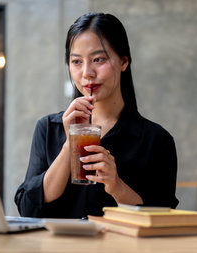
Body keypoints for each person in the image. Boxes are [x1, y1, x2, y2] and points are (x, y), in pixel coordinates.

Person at [15, 12, 179, 218]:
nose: (87, 73)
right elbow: (28, 209)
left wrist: (116, 185)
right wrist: (69, 144)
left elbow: (164, 219)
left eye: (98, 59)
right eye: (76, 62)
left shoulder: (157, 141)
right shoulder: (48, 128)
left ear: (124, 61)